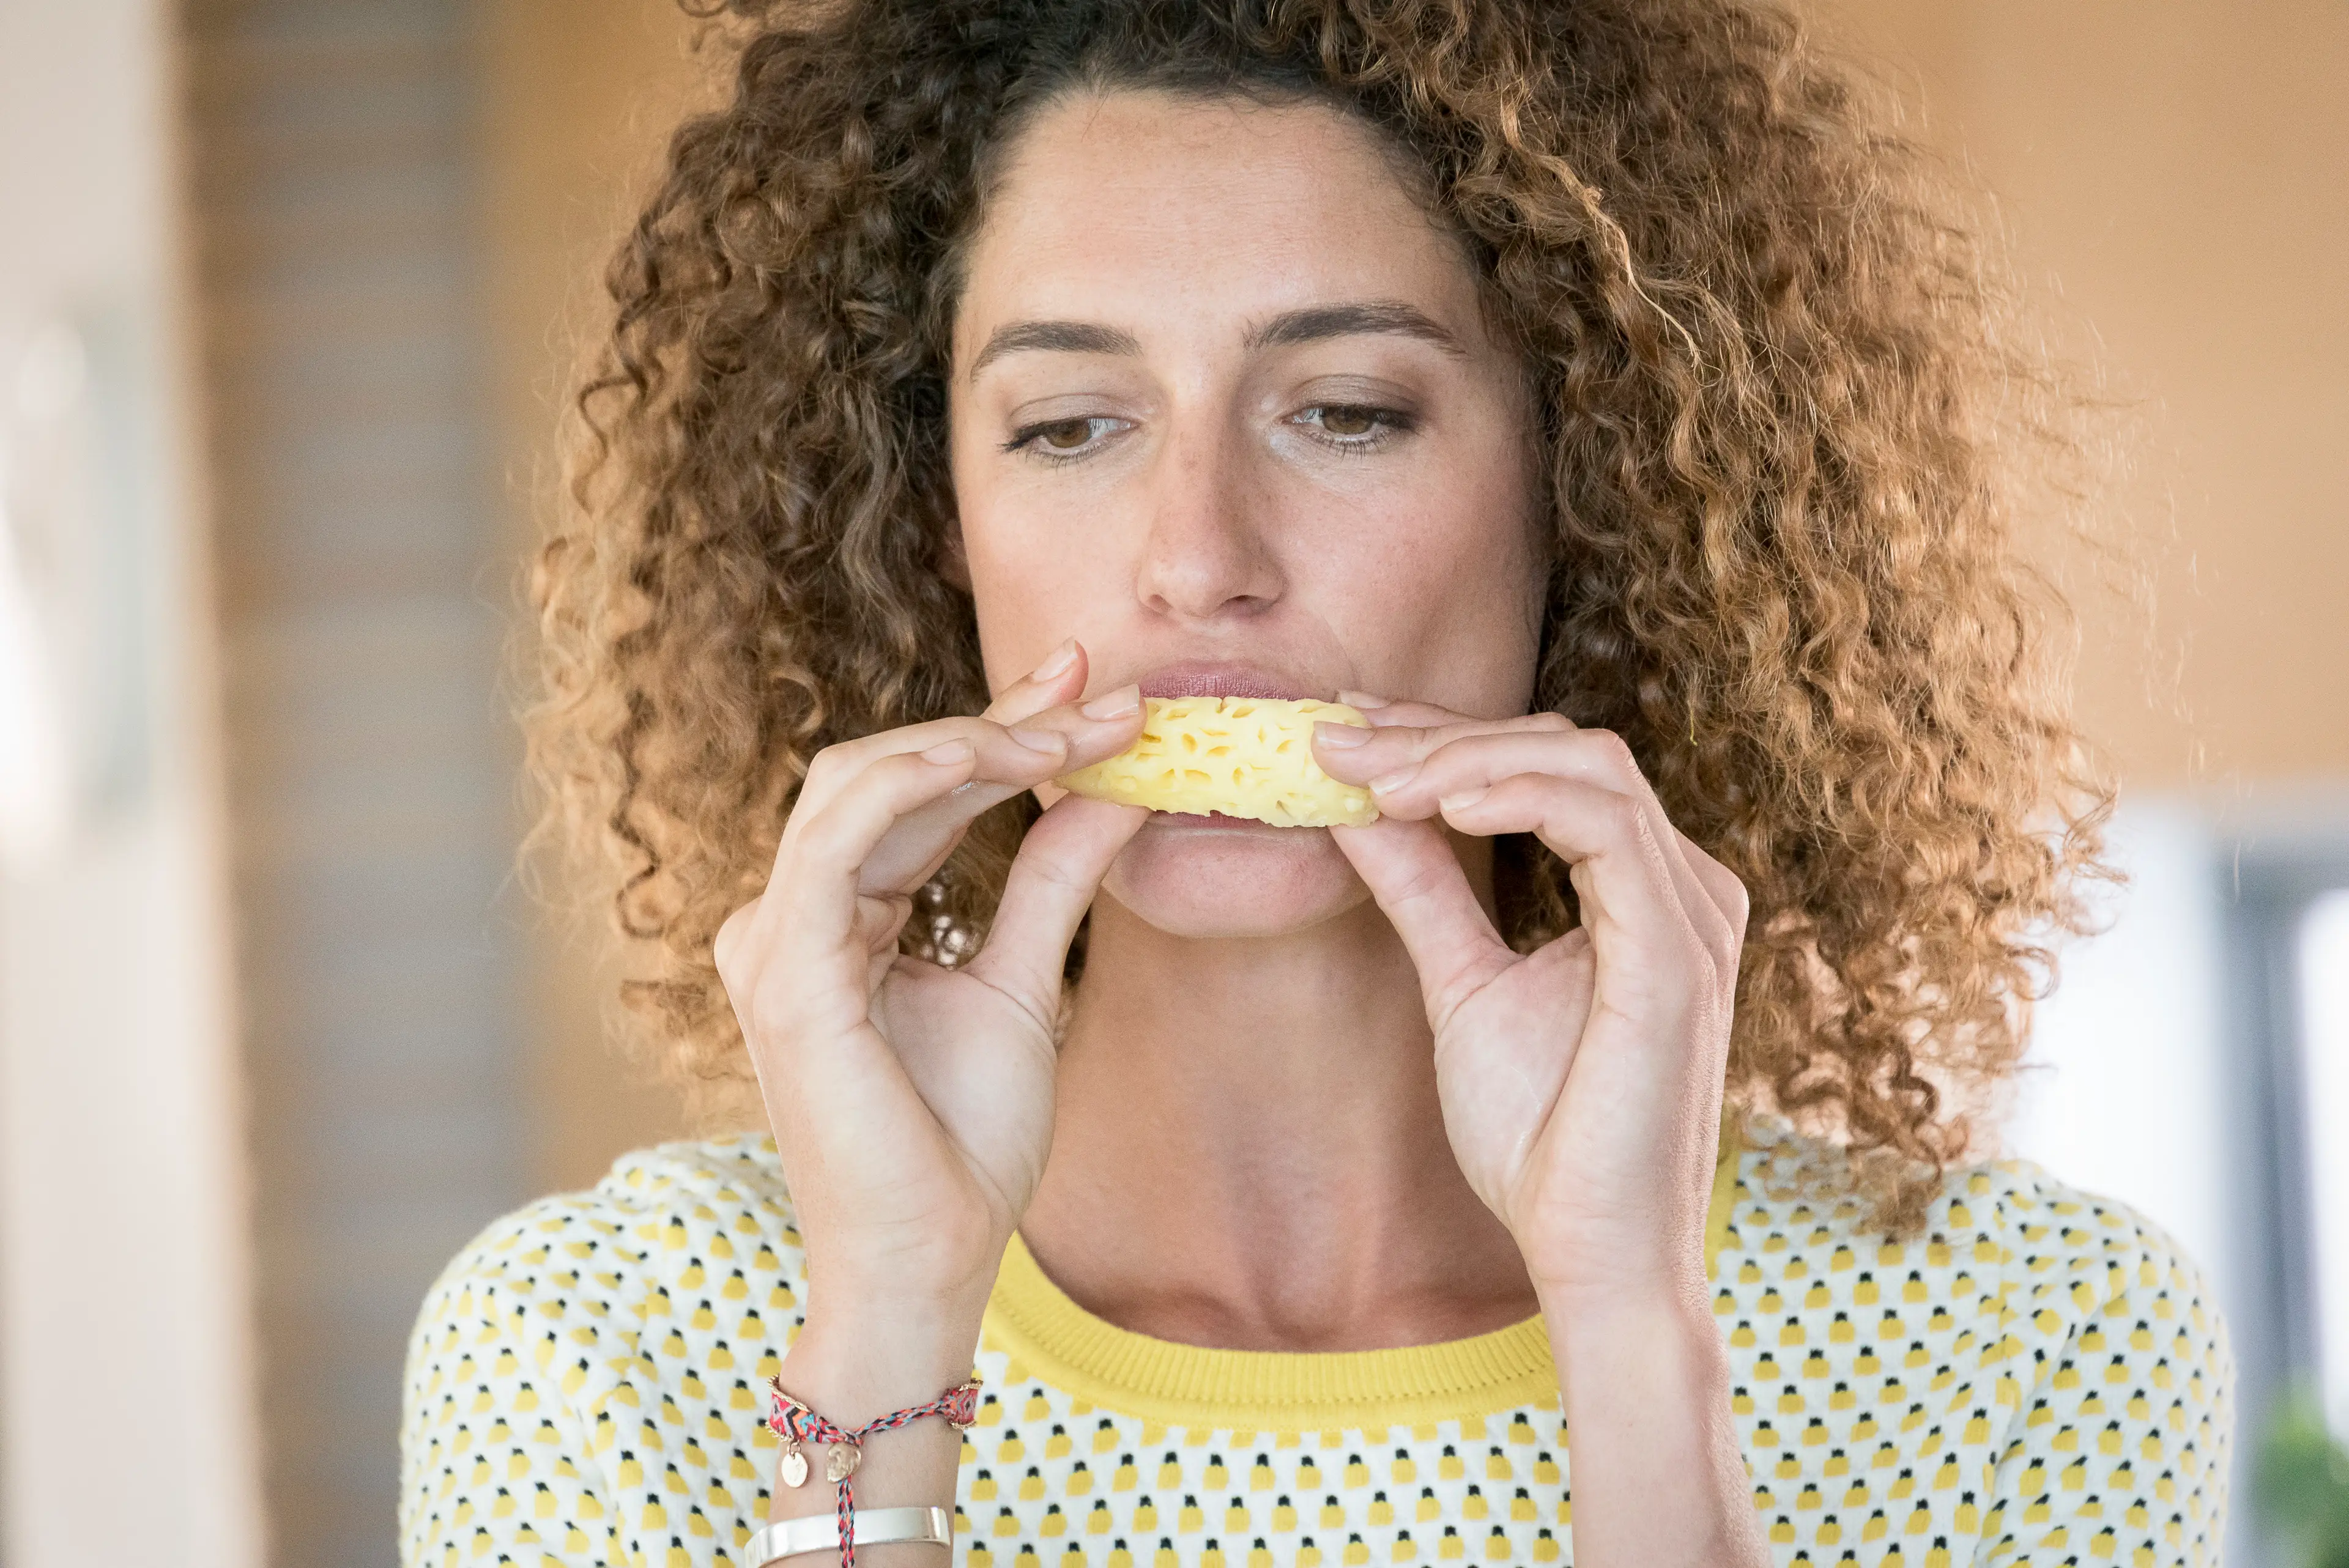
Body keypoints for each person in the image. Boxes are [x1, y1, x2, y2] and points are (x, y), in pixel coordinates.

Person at [397, 1, 2233, 1564]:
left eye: (1345, 410)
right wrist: (889, 1304)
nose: (1199, 558)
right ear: (937, 529)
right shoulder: (594, 1349)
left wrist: (1631, 1331)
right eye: (1069, 424)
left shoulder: (2032, 1344)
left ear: (1585, 489)